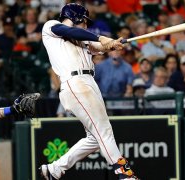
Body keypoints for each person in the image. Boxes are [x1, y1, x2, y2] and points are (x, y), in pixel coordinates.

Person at [41, 3, 138, 180]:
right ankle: (125, 175)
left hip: (88, 82)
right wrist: (102, 38)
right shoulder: (51, 27)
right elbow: (72, 32)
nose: (86, 25)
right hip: (75, 82)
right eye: (84, 21)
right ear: (75, 17)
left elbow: (99, 47)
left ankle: (55, 168)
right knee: (104, 130)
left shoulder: (83, 38)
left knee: (94, 138)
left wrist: (113, 43)